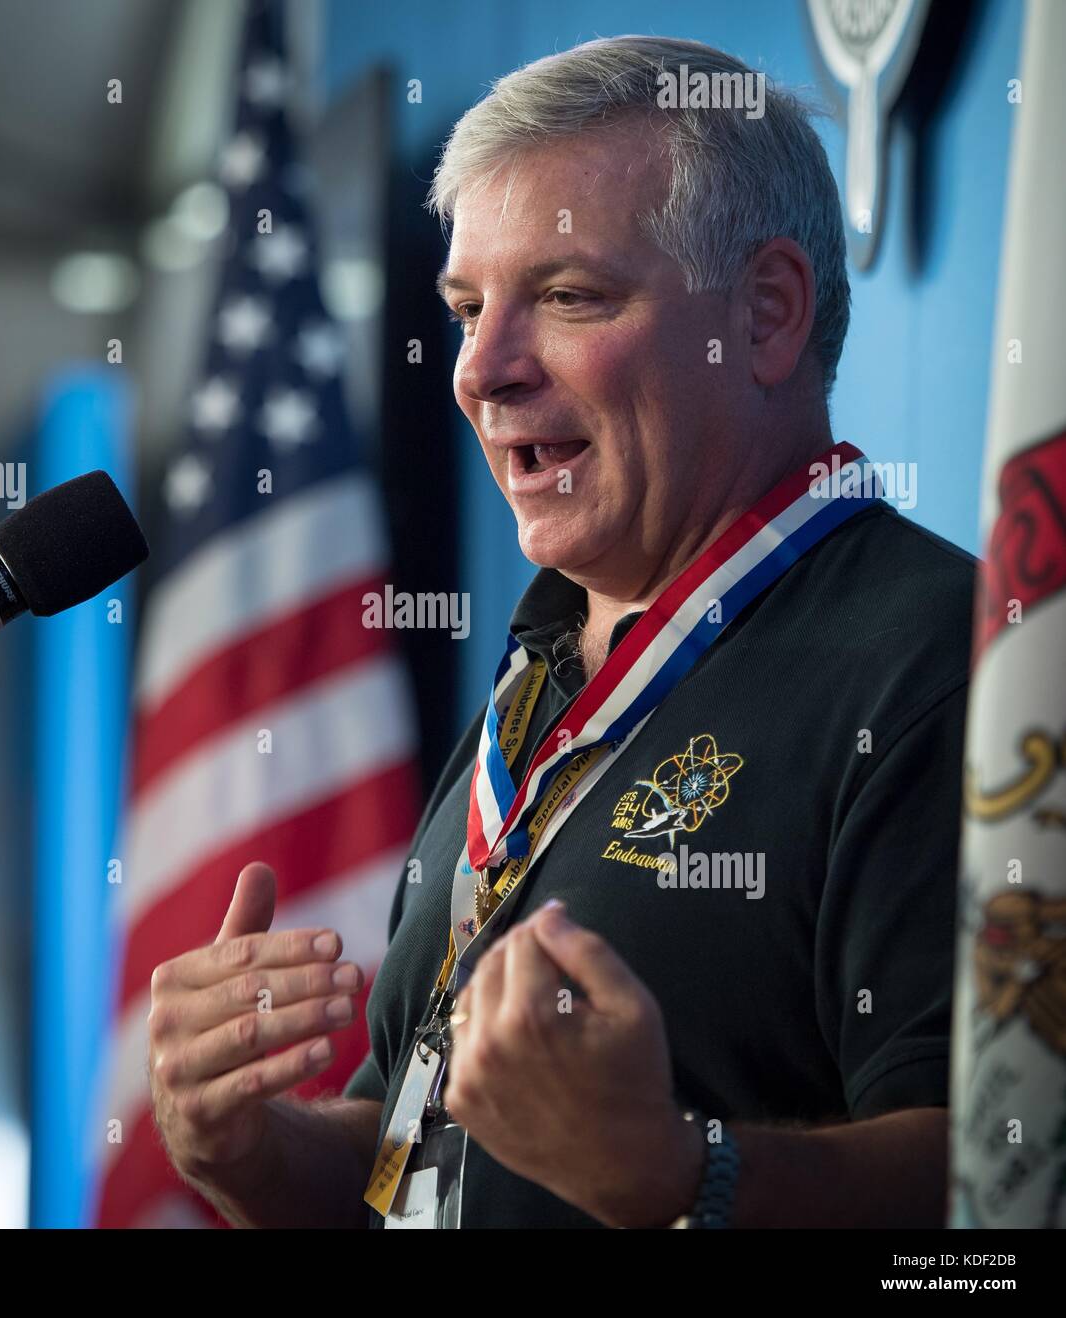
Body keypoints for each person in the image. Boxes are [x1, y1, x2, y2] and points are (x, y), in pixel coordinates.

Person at [146, 35, 972, 1228]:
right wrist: (247, 1147)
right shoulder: (541, 682)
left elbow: (999, 1191)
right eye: (467, 307)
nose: (480, 369)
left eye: (570, 295)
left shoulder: (941, 661)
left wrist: (679, 1173)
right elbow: (416, 1161)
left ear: (767, 315)